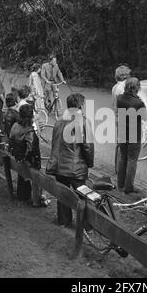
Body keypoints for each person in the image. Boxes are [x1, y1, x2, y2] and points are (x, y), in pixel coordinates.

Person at [46, 93, 94, 226]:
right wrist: (89, 163)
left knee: (63, 195)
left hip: (59, 165)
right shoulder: (83, 121)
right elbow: (88, 146)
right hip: (75, 167)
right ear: (80, 105)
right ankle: (87, 224)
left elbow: (55, 142)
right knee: (83, 196)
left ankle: (64, 220)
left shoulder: (59, 120)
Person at [10, 104, 51, 207]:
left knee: (22, 174)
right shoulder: (29, 131)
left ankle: (22, 195)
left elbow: (11, 139)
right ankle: (36, 201)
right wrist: (35, 162)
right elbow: (31, 149)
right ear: (31, 116)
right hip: (29, 161)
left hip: (18, 158)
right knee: (37, 178)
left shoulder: (15, 125)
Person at [116, 77, 147, 194]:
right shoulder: (138, 103)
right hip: (134, 133)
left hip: (123, 131)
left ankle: (120, 184)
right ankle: (129, 187)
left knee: (123, 157)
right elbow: (144, 117)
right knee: (132, 160)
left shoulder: (120, 98)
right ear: (137, 88)